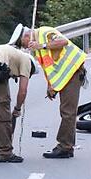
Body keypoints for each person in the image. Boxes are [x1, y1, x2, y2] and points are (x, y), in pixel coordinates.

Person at [15, 22, 86, 159]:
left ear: (26, 36)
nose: (23, 47)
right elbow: (49, 67)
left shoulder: (45, 33)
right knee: (66, 111)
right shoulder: (36, 49)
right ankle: (67, 146)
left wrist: (41, 45)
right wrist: (50, 85)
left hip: (73, 71)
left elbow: (63, 42)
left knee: (68, 112)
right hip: (65, 76)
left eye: (21, 43)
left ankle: (65, 147)